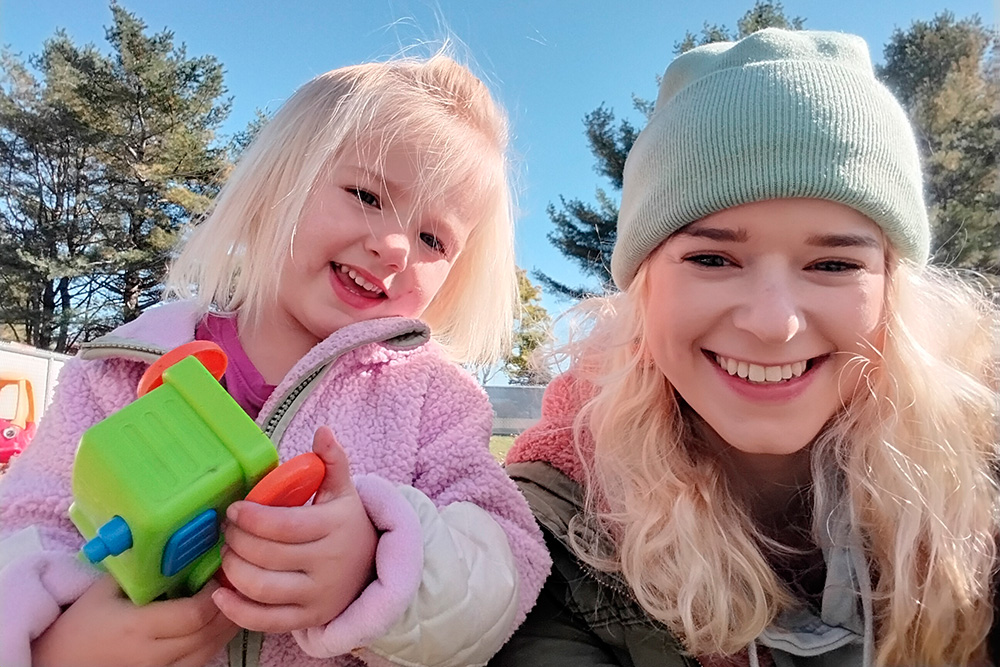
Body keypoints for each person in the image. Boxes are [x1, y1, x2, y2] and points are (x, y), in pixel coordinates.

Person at [0, 52, 550, 667]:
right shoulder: (124, 367)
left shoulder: (435, 401)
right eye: (367, 194)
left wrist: (377, 564)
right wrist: (52, 648)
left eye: (433, 239)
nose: (395, 247)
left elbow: (509, 566)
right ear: (276, 185)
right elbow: (25, 525)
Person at [492, 28, 999, 667]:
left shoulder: (979, 478)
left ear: (895, 290)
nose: (773, 323)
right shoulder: (546, 538)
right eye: (712, 258)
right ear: (642, 290)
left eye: (835, 264)